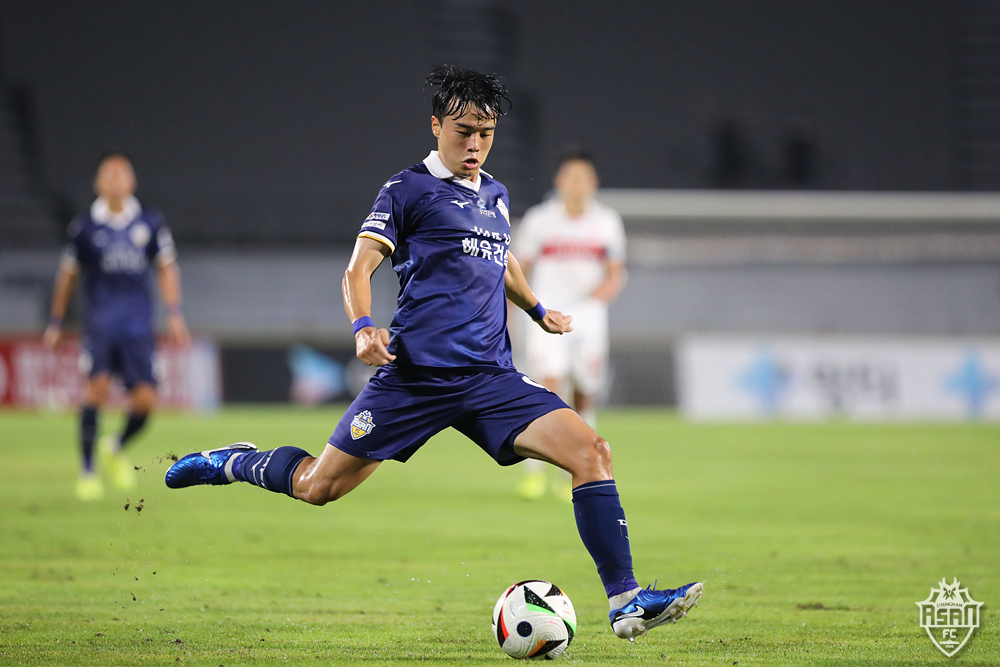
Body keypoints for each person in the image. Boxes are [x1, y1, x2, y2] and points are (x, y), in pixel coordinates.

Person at [164, 66, 701, 641]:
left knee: (593, 452)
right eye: (464, 131)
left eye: (486, 134)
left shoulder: (496, 195)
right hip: (415, 378)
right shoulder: (406, 190)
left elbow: (501, 259)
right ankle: (232, 462)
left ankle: (626, 601)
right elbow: (357, 269)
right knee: (318, 487)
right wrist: (363, 327)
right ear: (436, 125)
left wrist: (537, 309)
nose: (474, 146)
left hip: (490, 378)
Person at [44, 152, 189, 501]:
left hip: (138, 328)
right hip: (100, 326)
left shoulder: (150, 223)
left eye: (122, 173)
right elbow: (67, 276)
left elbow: (167, 267)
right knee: (95, 391)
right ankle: (87, 472)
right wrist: (56, 321)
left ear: (132, 181)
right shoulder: (84, 228)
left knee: (146, 401)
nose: (115, 180)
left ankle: (115, 446)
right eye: (108, 174)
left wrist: (174, 313)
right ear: (98, 183)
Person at [514, 150, 626, 501]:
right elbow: (518, 271)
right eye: (571, 177)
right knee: (548, 387)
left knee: (583, 393)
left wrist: (598, 298)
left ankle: (573, 472)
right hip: (546, 313)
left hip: (588, 319)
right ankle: (534, 473)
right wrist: (514, 310)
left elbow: (616, 272)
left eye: (584, 178)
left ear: (594, 183)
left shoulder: (607, 221)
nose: (577, 185)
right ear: (559, 181)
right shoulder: (540, 220)